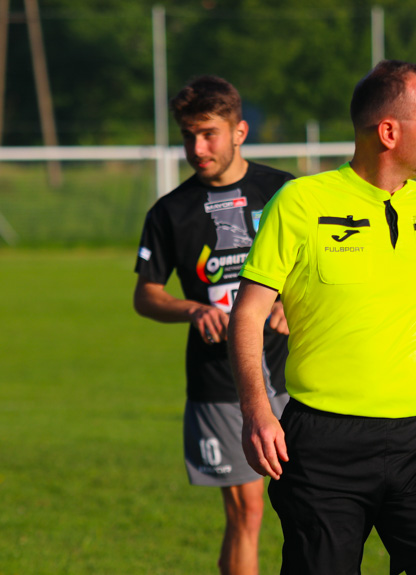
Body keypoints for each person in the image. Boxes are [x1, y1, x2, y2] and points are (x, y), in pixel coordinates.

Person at [228, 60, 416, 575]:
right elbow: (248, 312)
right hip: (322, 448)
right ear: (389, 132)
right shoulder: (301, 203)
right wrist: (256, 409)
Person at [133, 75, 293, 575]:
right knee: (247, 512)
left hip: (301, 375)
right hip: (221, 383)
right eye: (188, 136)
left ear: (239, 131)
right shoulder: (170, 212)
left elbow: (321, 265)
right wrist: (192, 309)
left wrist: (293, 302)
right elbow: (147, 295)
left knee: (311, 509)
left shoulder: (285, 192)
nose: (197, 148)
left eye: (208, 134)